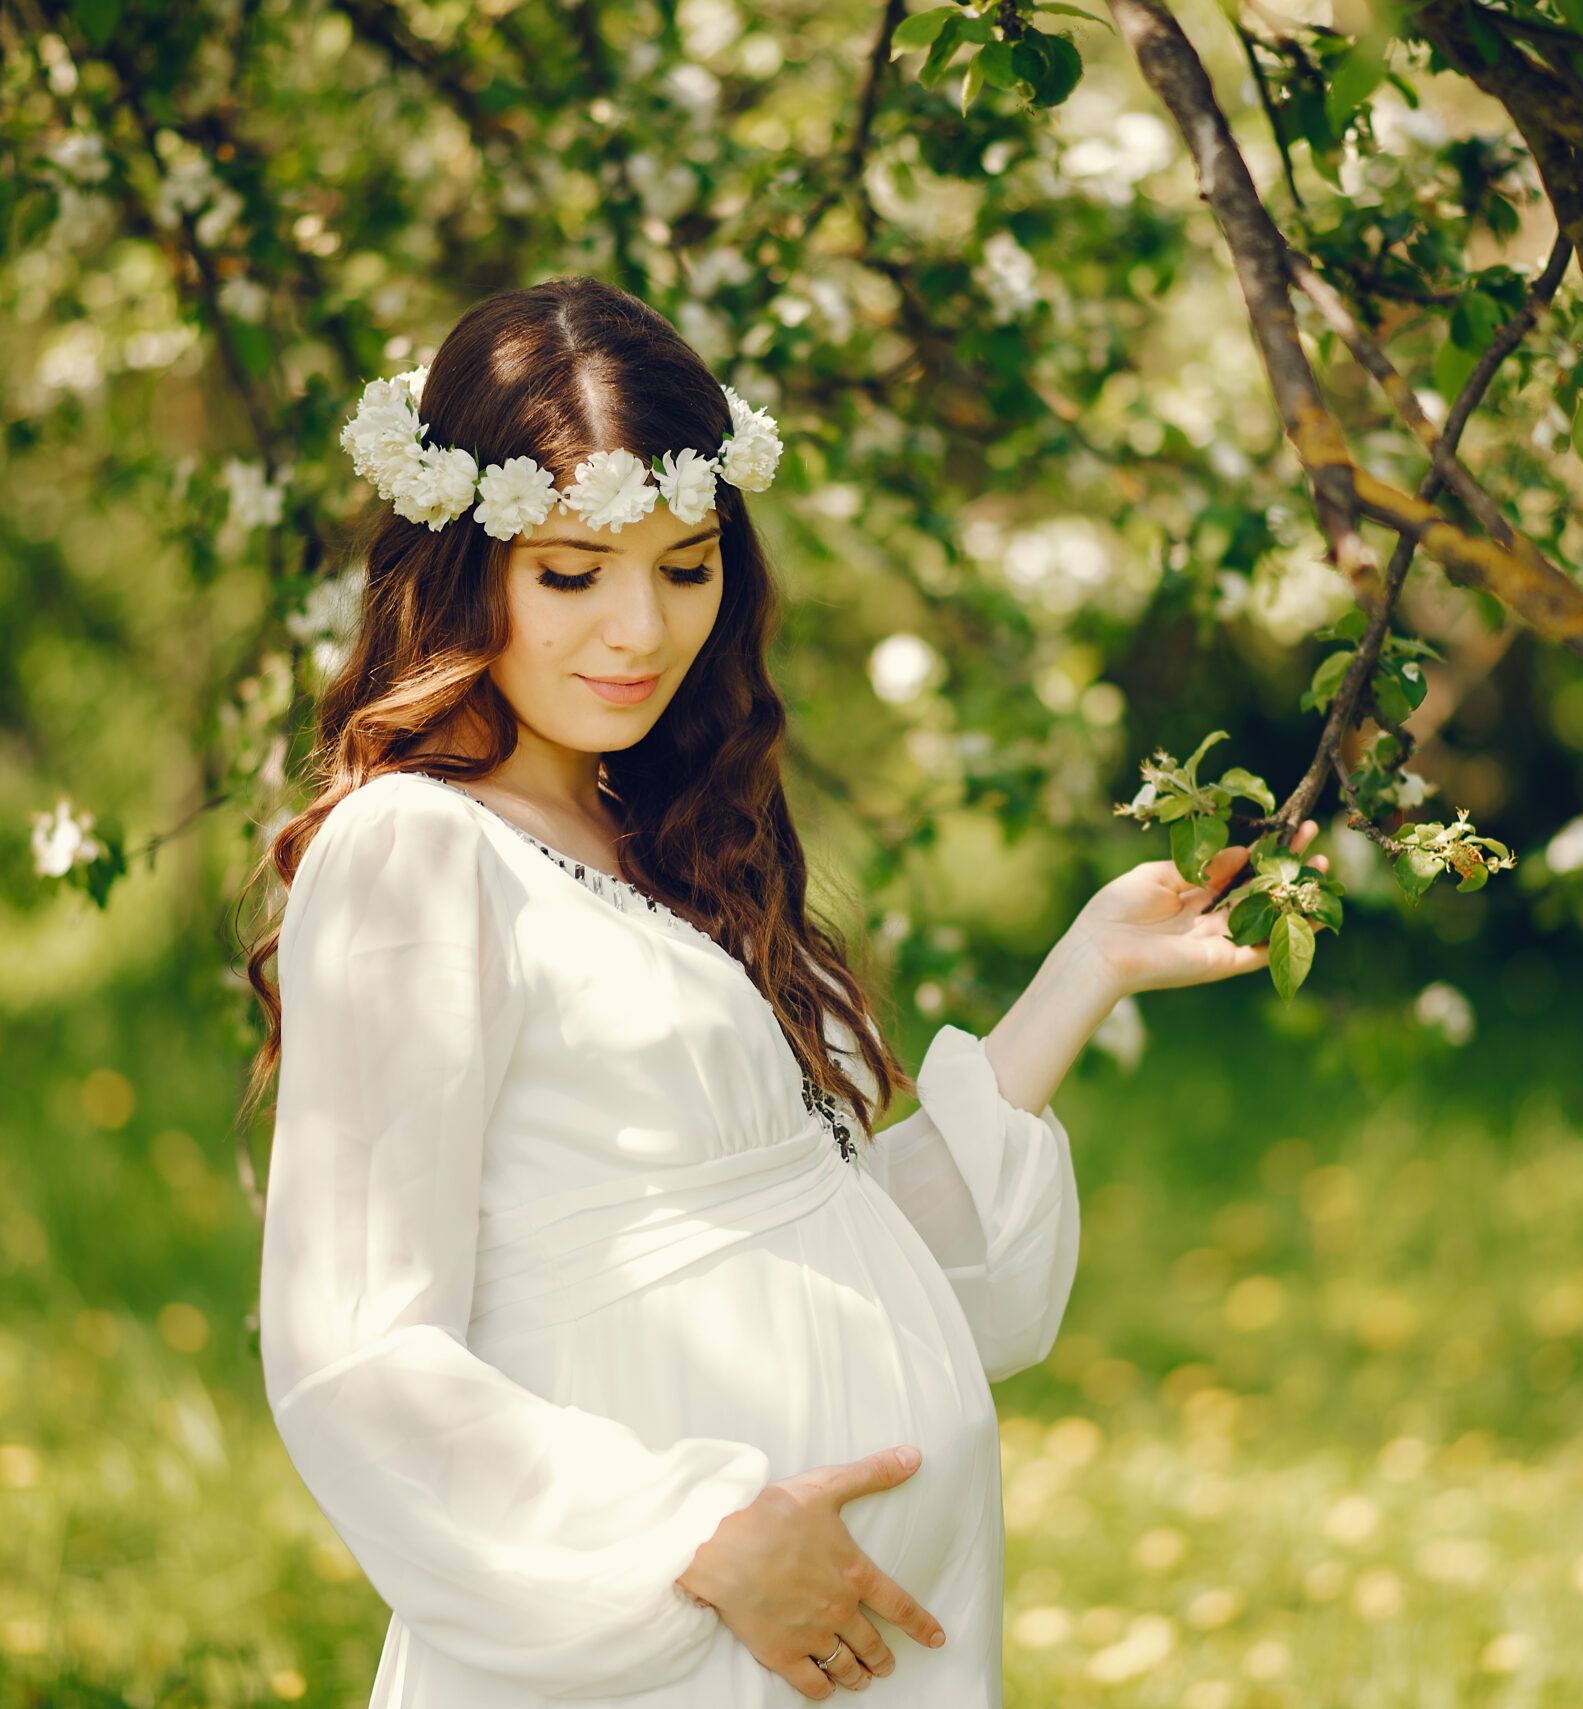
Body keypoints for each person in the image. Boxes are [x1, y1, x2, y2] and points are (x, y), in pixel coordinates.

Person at [246, 277, 1309, 1707]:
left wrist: (1089, 968)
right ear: (461, 562)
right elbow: (356, 1351)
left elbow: (815, 1237)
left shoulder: (656, 829)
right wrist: (703, 1536)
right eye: (572, 573)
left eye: (686, 566)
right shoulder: (415, 853)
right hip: (653, 1637)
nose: (639, 629)